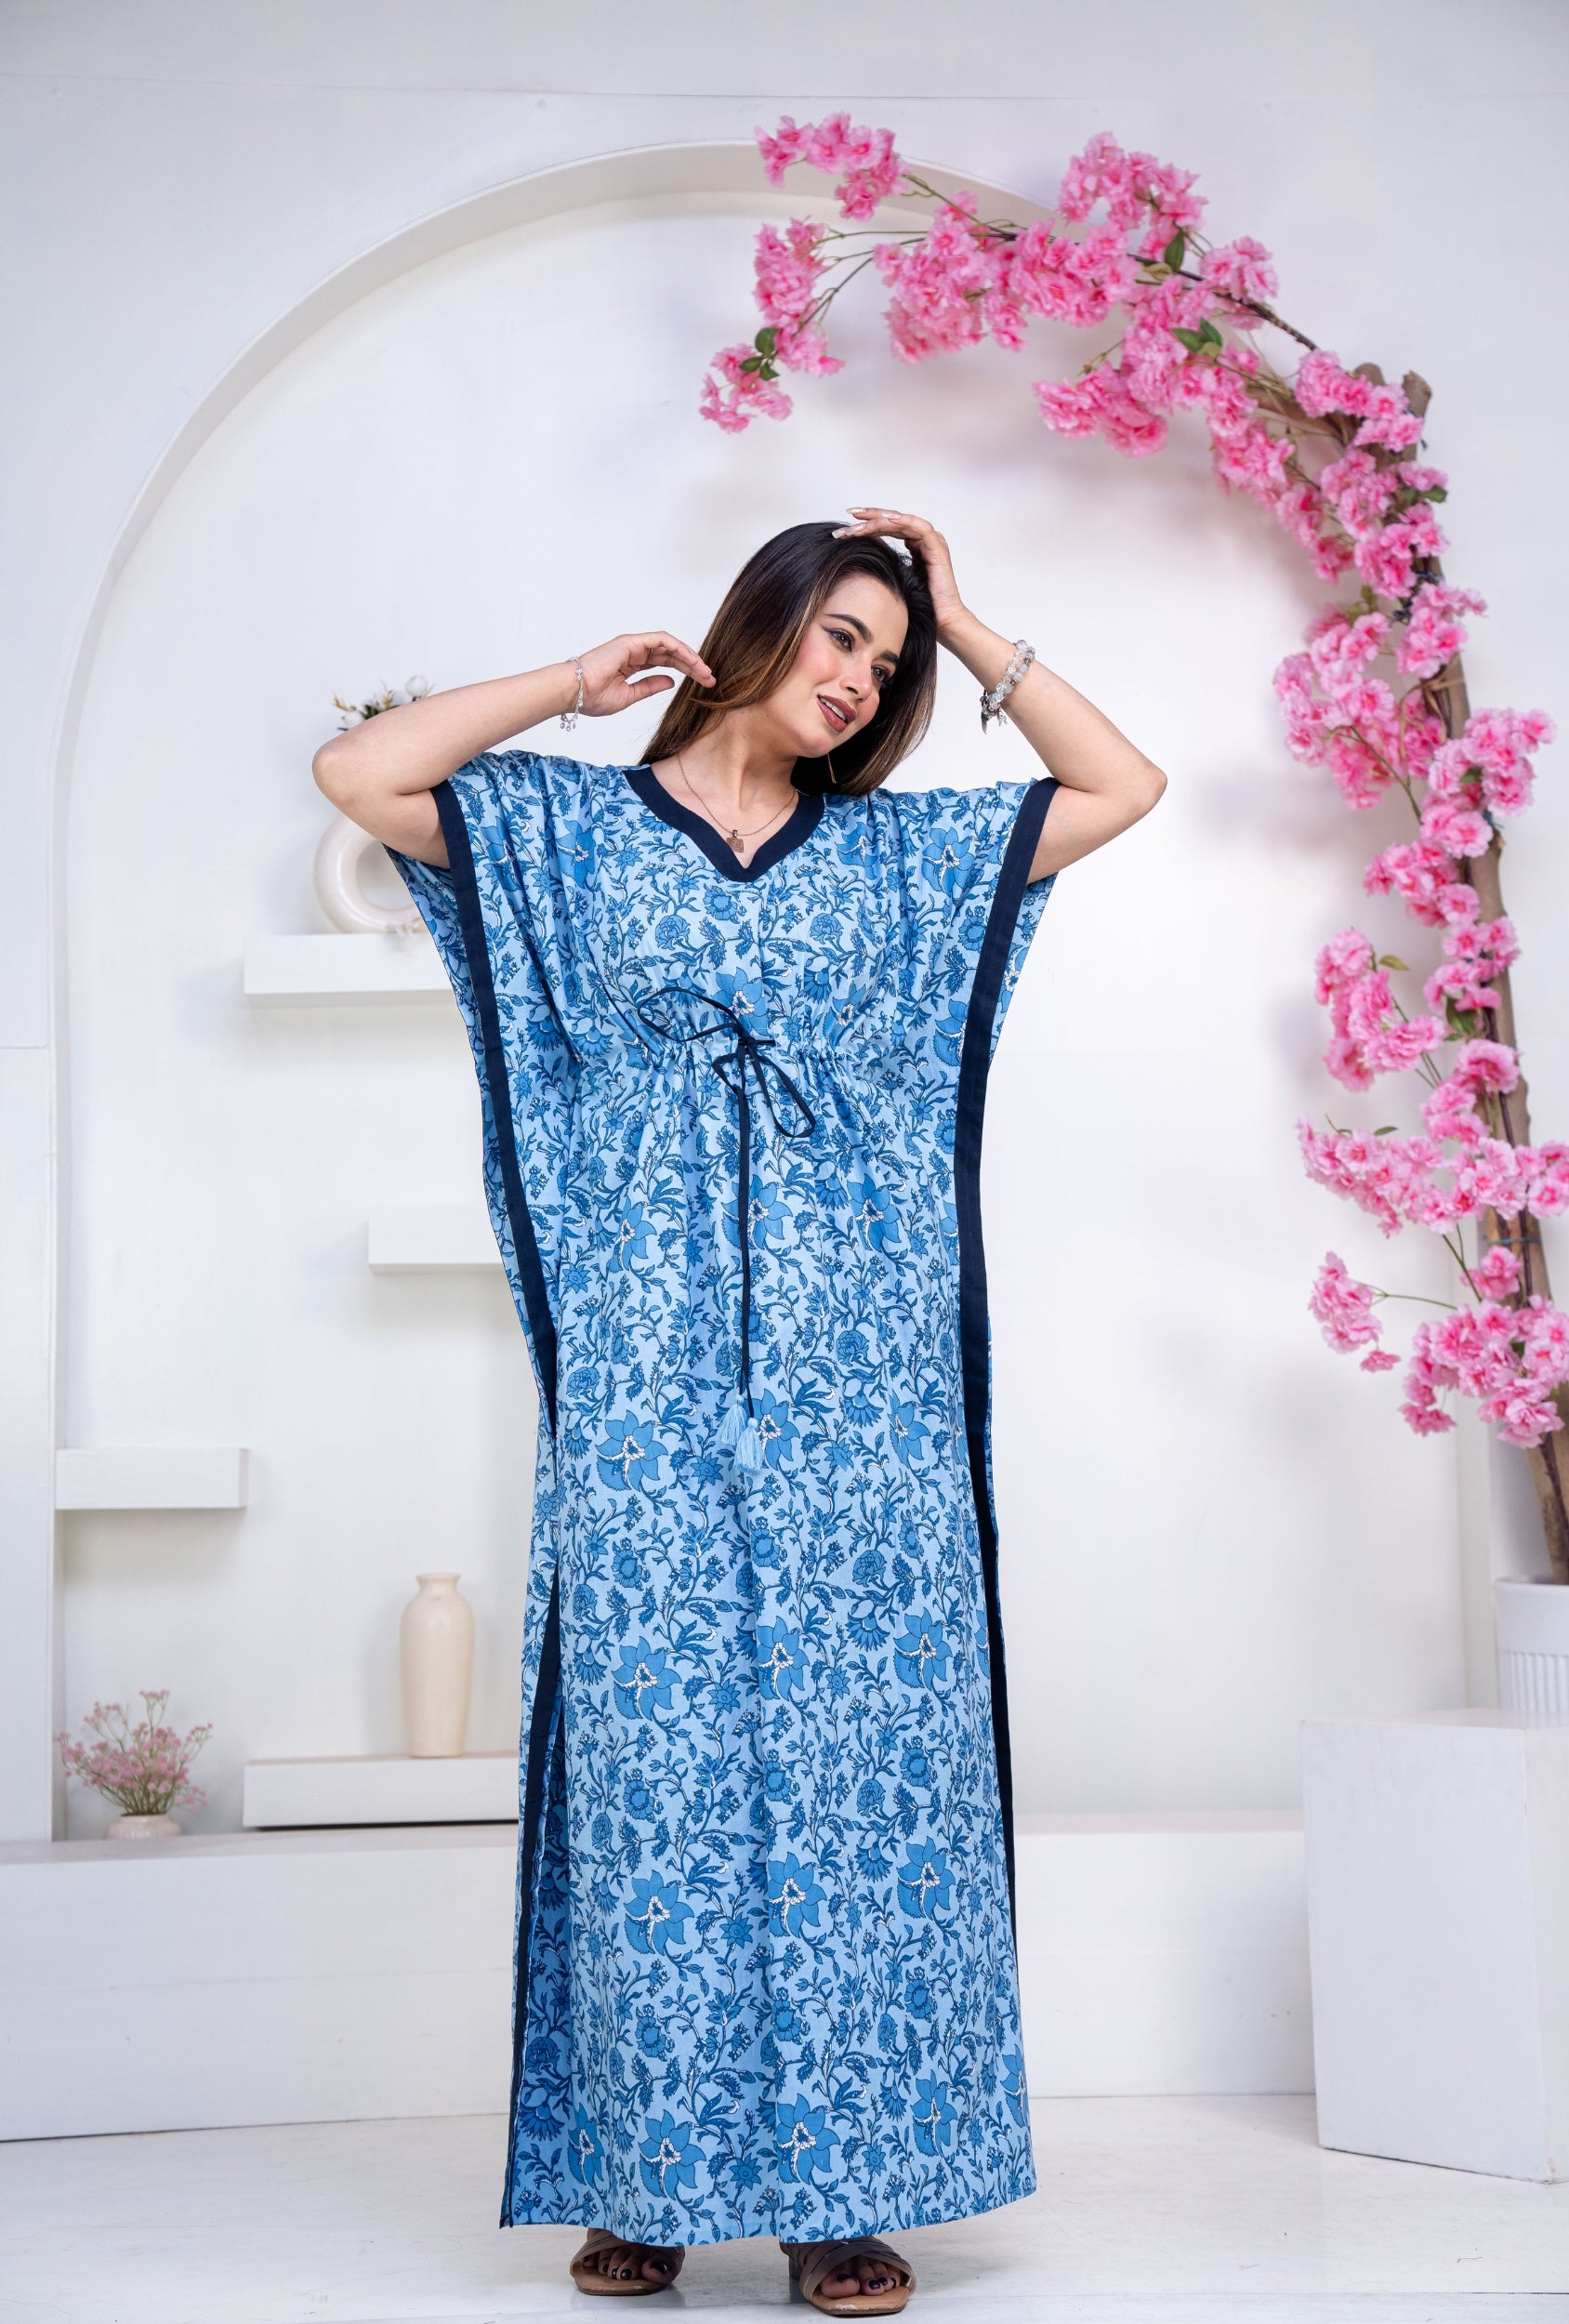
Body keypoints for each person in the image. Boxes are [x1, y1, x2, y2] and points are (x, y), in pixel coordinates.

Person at [314, 509, 1164, 2316]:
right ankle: (649, 2178)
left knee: (867, 1779)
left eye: (885, 664)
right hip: (646, 1382)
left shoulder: (903, 859)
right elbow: (359, 771)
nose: (859, 679)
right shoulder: (562, 830)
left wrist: (967, 620)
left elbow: (1121, 784)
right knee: (653, 1769)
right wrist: (575, 681)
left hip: (867, 1399)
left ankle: (842, 2197)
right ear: (757, 622)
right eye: (841, 634)